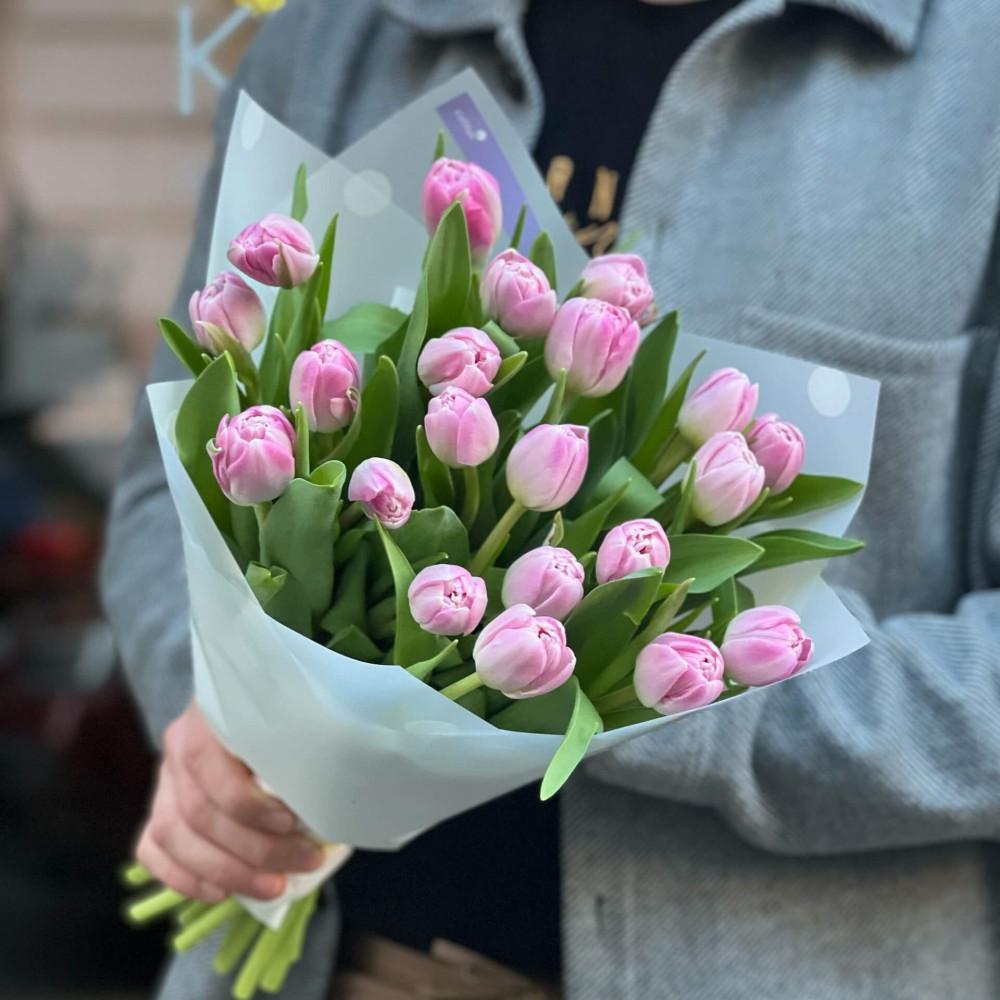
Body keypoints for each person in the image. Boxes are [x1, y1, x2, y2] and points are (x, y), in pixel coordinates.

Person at [101, 0, 1000, 997]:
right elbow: (167, 488)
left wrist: (627, 690)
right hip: (327, 967)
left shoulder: (975, 79)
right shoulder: (344, 31)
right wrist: (220, 707)